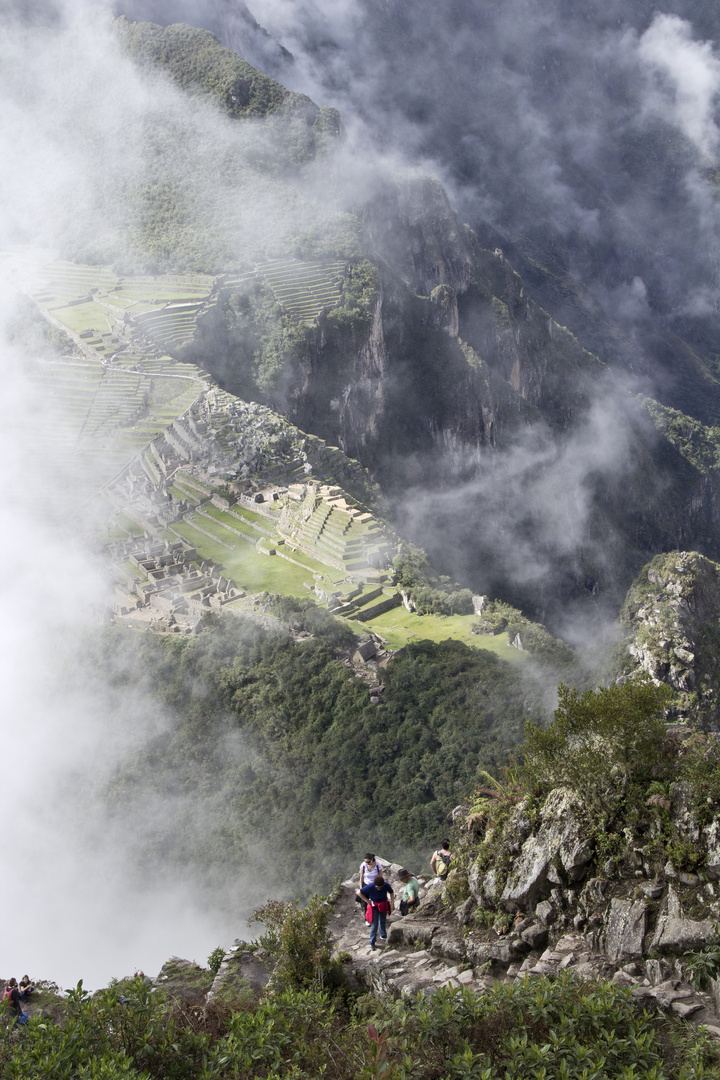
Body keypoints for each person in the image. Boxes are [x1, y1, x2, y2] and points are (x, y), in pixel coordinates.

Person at [357, 872, 394, 950]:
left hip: (383, 904)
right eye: (377, 887)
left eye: (380, 887)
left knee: (383, 921)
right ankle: (372, 942)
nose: (379, 889)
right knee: (374, 925)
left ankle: (383, 935)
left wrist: (392, 903)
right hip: (374, 906)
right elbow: (359, 892)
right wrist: (367, 901)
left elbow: (391, 892)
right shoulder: (370, 886)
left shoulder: (386, 885)